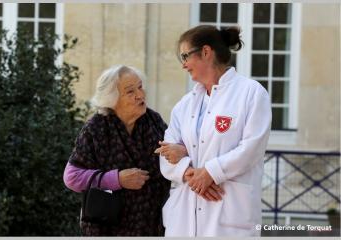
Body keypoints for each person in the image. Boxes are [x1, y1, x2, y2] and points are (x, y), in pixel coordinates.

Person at [157, 25, 272, 236]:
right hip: (184, 219)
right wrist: (191, 174)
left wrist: (211, 172)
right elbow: (165, 155)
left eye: (185, 56)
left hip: (229, 216)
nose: (183, 65)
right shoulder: (184, 105)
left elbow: (251, 149)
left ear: (206, 52)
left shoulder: (251, 93)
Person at [63, 65, 170, 236]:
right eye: (130, 92)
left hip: (152, 225)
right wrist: (117, 179)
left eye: (140, 87)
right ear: (111, 99)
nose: (140, 95)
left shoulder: (153, 121)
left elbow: (172, 159)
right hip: (108, 228)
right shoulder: (97, 128)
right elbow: (72, 177)